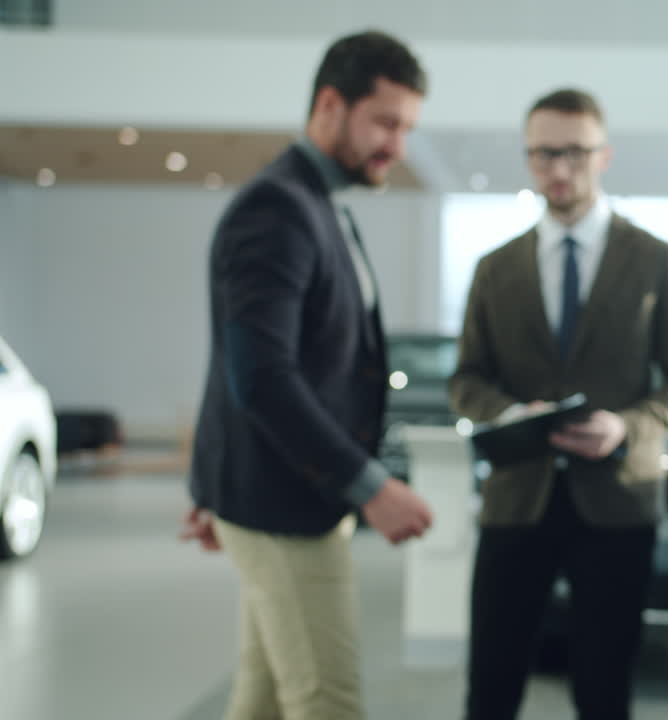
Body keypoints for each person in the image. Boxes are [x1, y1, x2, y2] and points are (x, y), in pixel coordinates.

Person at [179, 30, 434, 720]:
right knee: (328, 703)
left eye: (407, 127)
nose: (398, 146)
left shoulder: (318, 205)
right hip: (284, 507)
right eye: (385, 122)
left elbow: (262, 366)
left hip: (273, 495)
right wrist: (371, 485)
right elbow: (260, 376)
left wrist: (219, 480)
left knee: (261, 702)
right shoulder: (278, 210)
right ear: (329, 105)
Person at [450, 87, 668, 720]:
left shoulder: (654, 259)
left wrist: (624, 426)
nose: (559, 170)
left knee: (603, 686)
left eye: (574, 153)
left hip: (618, 500)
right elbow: (466, 379)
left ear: (604, 155)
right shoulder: (495, 267)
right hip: (517, 496)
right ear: (528, 157)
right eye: (543, 155)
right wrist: (511, 416)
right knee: (493, 680)